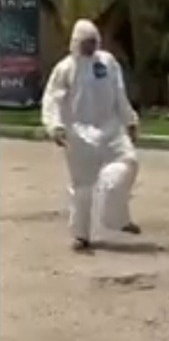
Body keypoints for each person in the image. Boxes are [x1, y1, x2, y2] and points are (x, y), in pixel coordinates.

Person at [41, 19, 141, 252]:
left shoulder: (108, 62)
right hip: (79, 133)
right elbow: (52, 100)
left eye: (94, 42)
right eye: (86, 42)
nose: (91, 46)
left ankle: (117, 219)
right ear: (76, 43)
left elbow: (119, 93)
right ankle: (81, 235)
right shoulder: (65, 68)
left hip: (110, 128)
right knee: (82, 186)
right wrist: (55, 126)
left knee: (128, 163)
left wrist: (130, 121)